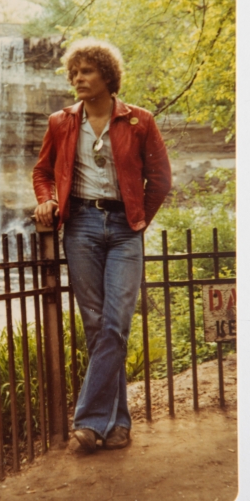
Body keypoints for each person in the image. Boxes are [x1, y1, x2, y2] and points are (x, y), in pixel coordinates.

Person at [33, 38, 171, 453]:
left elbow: (160, 178)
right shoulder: (61, 122)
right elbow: (42, 171)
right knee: (96, 327)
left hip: (125, 228)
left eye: (87, 72)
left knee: (116, 323)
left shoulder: (139, 121)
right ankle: (118, 425)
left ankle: (90, 421)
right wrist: (46, 200)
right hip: (82, 226)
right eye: (74, 72)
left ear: (108, 77)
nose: (78, 78)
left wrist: (139, 217)